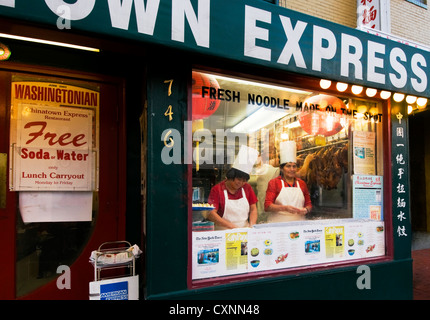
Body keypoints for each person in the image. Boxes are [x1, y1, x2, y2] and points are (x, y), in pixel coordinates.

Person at [207, 145, 259, 230]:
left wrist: (252, 225)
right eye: (239, 179)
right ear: (231, 176)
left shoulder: (247, 188)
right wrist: (231, 227)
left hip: (244, 231)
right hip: (223, 231)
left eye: (244, 180)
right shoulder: (217, 189)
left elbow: (253, 209)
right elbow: (211, 214)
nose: (241, 183)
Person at [265, 141, 312, 223]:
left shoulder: (301, 183)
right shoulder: (274, 183)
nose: (292, 169)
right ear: (282, 168)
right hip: (279, 224)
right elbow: (267, 206)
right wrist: (285, 208)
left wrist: (306, 209)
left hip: (299, 223)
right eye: (288, 166)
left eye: (294, 166)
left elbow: (309, 204)